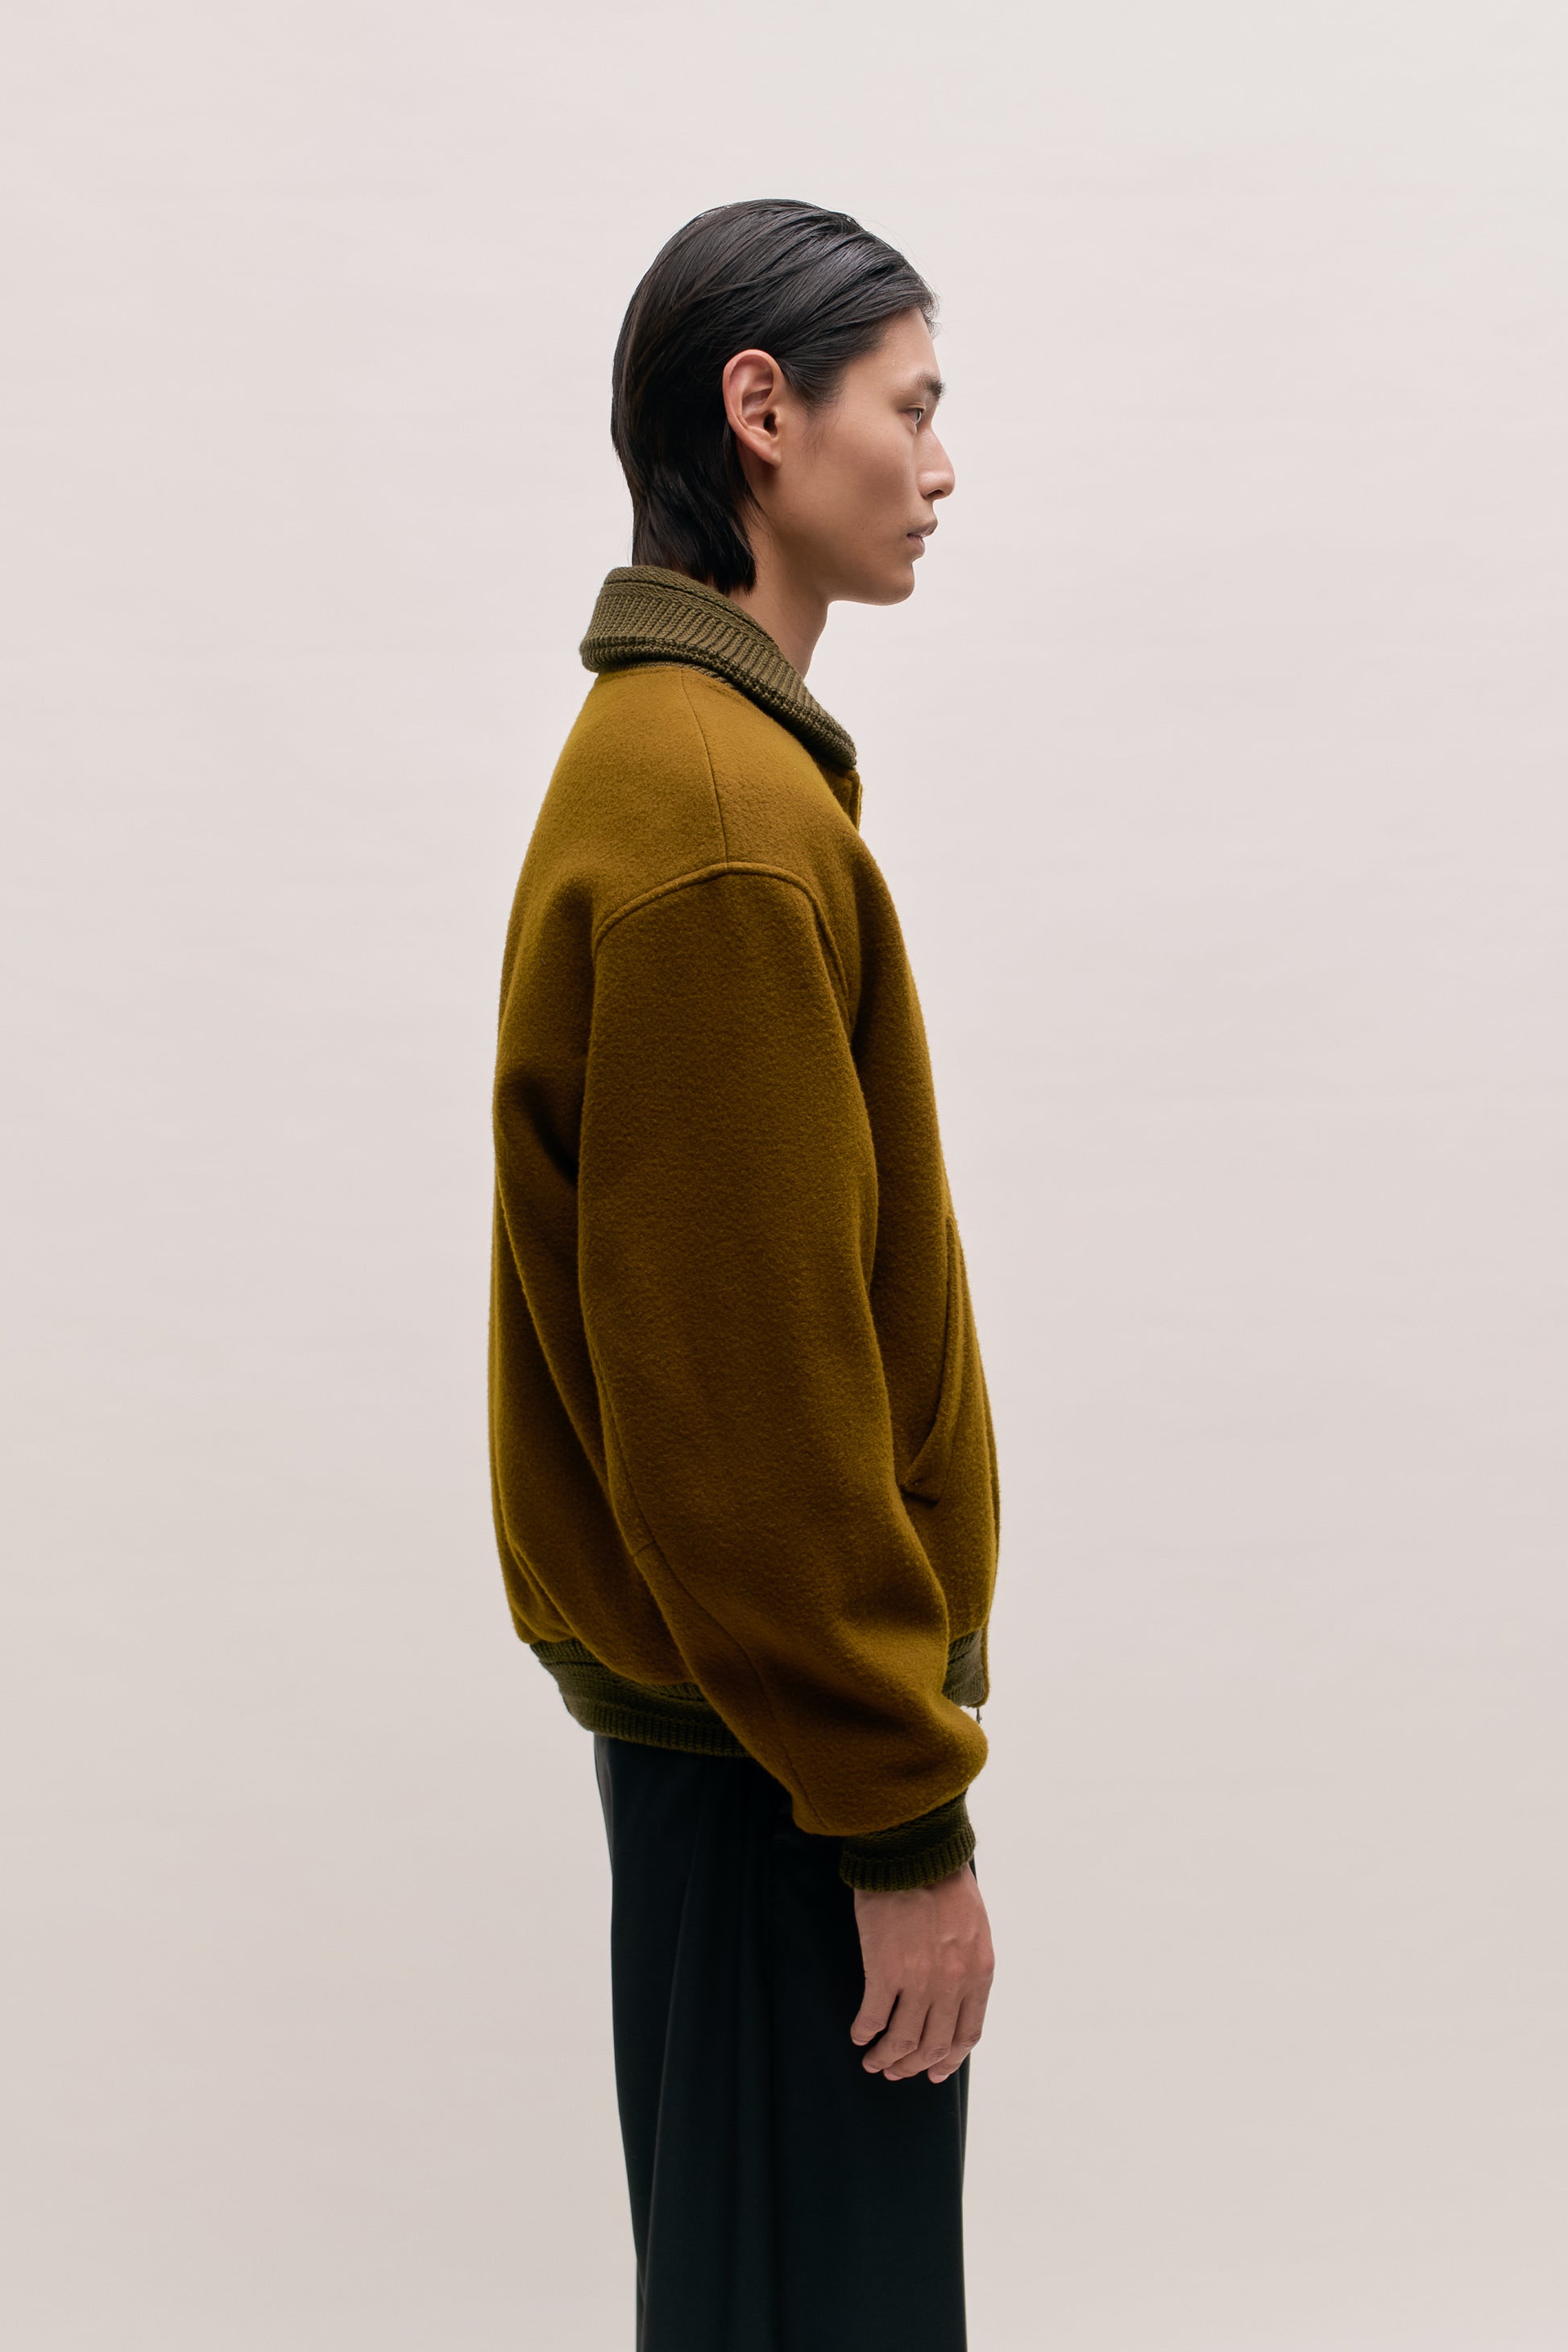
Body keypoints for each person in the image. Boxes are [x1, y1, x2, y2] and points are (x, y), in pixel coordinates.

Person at [487, 198, 1002, 2351]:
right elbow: (749, 1405)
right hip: (782, 1761)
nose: (942, 467)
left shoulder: (700, 772)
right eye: (913, 406)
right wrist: (897, 1822)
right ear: (762, 411)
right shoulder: (715, 820)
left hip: (756, 1739)